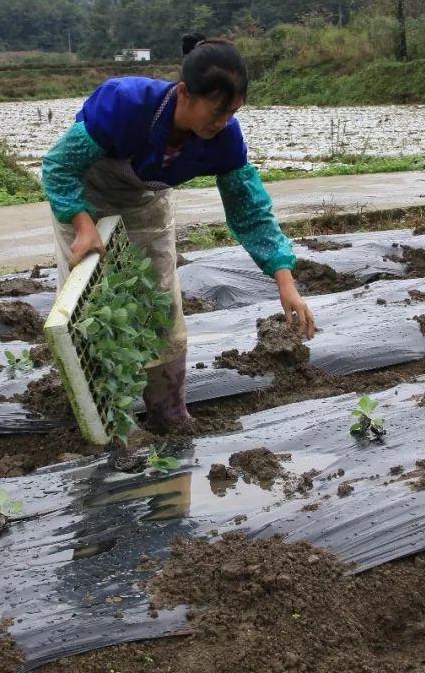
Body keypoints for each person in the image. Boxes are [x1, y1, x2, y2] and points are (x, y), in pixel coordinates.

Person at [41, 33, 314, 431]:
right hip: (87, 193)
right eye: (217, 111)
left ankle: (168, 410)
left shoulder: (224, 138)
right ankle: (107, 418)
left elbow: (250, 209)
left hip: (145, 200)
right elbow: (59, 167)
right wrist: (82, 223)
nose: (223, 122)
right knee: (93, 302)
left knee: (160, 297)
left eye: (233, 113)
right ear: (185, 93)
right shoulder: (124, 104)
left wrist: (284, 280)